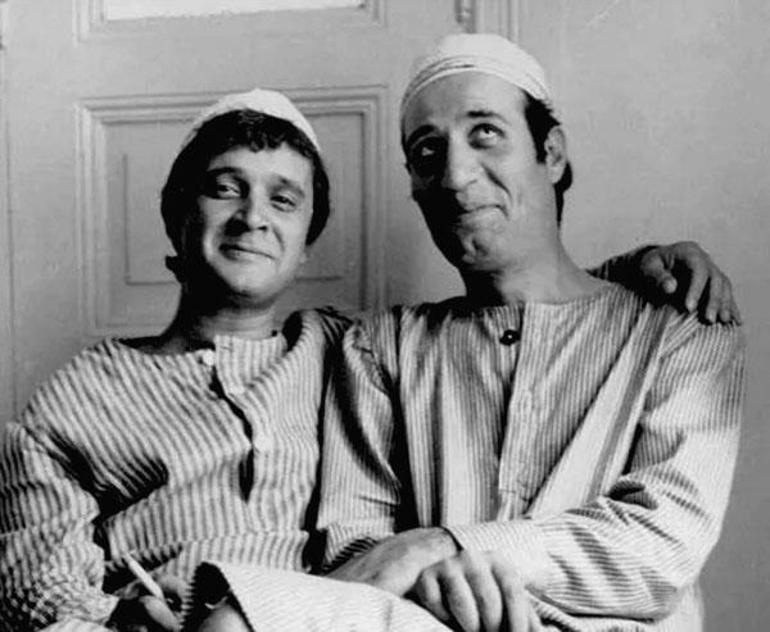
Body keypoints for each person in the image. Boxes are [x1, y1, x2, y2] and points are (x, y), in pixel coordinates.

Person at [0, 82, 738, 631]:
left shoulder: (344, 347)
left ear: (306, 243)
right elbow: (33, 585)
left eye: (284, 201)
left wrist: (648, 267)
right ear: (176, 215)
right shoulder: (75, 396)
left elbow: (535, 307)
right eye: (225, 190)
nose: (253, 217)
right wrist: (110, 625)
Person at [309, 34, 745, 631]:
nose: (455, 176)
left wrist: (441, 544)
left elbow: (662, 545)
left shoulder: (679, 325)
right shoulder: (379, 349)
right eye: (428, 151)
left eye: (485, 132)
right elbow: (360, 563)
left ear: (553, 154)